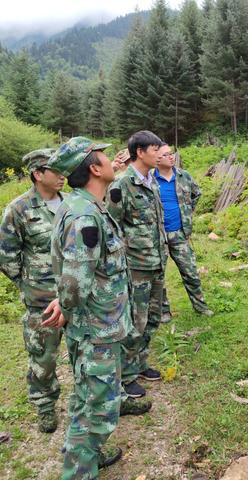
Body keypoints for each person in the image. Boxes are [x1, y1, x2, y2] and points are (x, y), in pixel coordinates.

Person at [48, 137, 150, 479]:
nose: (111, 160)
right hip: (96, 329)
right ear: (94, 168)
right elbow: (76, 281)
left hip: (97, 325)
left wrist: (64, 300)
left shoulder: (84, 204)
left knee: (86, 397)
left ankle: (84, 455)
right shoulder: (85, 216)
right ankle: (79, 469)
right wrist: (65, 302)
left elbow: (73, 271)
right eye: (105, 156)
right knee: (99, 408)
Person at [0, 149, 65, 433]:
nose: (63, 175)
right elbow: (6, 255)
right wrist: (29, 284)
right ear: (38, 174)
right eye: (56, 170)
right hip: (42, 299)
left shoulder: (71, 203)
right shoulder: (19, 209)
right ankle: (45, 406)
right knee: (44, 357)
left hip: (75, 294)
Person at [106, 130, 168, 398]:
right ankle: (127, 375)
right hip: (135, 267)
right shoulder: (121, 185)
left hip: (156, 262)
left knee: (152, 318)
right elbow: (111, 228)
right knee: (135, 321)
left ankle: (140, 363)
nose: (160, 154)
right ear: (140, 152)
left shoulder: (150, 181)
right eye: (155, 150)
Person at [153, 142, 213, 321]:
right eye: (166, 154)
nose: (171, 157)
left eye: (171, 153)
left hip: (179, 233)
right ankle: (163, 311)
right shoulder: (148, 179)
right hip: (158, 236)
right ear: (157, 159)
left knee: (191, 272)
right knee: (158, 276)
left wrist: (187, 211)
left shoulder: (183, 176)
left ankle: (200, 306)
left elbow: (197, 193)